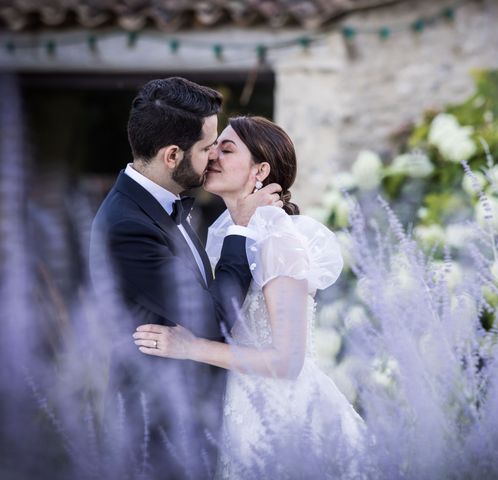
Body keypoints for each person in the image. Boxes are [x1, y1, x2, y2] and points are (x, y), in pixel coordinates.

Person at [133, 116, 373, 478]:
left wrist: (190, 347)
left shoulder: (278, 238)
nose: (213, 156)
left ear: (260, 169)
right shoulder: (231, 234)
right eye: (213, 147)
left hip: (280, 414)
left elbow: (287, 362)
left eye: (226, 149)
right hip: (236, 406)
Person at [89, 78, 282, 478]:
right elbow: (213, 317)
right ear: (172, 154)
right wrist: (241, 227)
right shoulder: (127, 225)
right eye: (208, 146)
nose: (214, 156)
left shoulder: (161, 202)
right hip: (159, 431)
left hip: (196, 418)